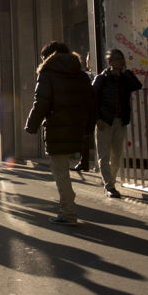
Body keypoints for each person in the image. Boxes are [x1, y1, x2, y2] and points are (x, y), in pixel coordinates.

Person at [24, 41, 97, 225]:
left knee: (60, 172)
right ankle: (68, 207)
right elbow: (91, 103)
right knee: (62, 171)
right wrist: (88, 129)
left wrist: (31, 126)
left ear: (49, 57)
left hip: (57, 129)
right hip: (77, 129)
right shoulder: (80, 75)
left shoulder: (47, 74)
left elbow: (41, 102)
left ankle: (68, 213)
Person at [92, 49, 143, 198]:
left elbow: (137, 86)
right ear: (110, 62)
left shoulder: (125, 79)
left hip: (120, 121)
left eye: (122, 58)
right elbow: (92, 99)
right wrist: (97, 118)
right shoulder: (101, 79)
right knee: (104, 156)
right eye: (117, 59)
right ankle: (109, 186)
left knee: (117, 157)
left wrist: (127, 72)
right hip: (105, 121)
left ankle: (111, 183)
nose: (121, 61)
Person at [70, 53, 96, 173]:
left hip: (86, 111)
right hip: (86, 111)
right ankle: (84, 162)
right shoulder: (85, 75)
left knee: (86, 137)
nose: (87, 61)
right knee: (85, 137)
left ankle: (85, 162)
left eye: (88, 58)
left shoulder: (88, 76)